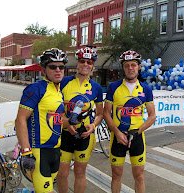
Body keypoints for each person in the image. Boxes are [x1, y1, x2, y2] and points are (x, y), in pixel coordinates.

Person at [15, 48, 68, 193]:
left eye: (61, 67)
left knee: (47, 188)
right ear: (43, 70)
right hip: (38, 151)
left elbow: (56, 120)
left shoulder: (59, 91)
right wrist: (26, 151)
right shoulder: (35, 89)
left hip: (55, 150)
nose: (58, 70)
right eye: (53, 66)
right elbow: (20, 119)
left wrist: (71, 124)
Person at [103, 50, 156, 193]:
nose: (130, 68)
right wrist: (117, 132)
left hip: (137, 138)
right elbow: (106, 112)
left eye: (133, 65)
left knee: (139, 176)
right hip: (117, 137)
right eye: (127, 65)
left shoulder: (146, 89)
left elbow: (152, 116)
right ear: (123, 67)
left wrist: (137, 132)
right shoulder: (113, 87)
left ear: (139, 67)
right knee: (116, 175)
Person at [56, 47, 104, 193]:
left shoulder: (96, 88)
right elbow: (55, 108)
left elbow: (100, 114)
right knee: (62, 173)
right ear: (77, 63)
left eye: (89, 62)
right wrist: (66, 122)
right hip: (65, 133)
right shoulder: (63, 82)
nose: (85, 64)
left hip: (85, 135)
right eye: (82, 61)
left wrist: (93, 126)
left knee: (79, 172)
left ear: (93, 66)